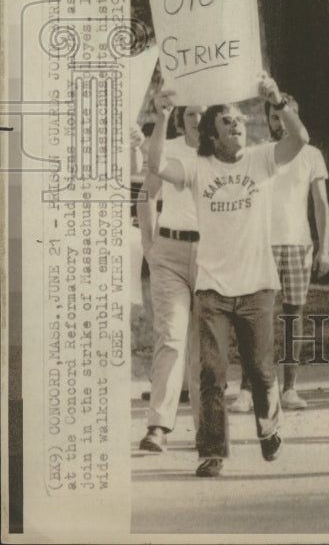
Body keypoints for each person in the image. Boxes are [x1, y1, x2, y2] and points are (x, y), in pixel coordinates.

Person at [147, 73, 309, 478]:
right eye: (226, 121)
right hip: (213, 289)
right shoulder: (197, 167)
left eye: (239, 119)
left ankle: (269, 426)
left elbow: (300, 140)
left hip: (257, 286)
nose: (236, 124)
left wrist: (277, 101)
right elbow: (154, 165)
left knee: (259, 369)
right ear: (212, 136)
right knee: (211, 373)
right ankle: (213, 451)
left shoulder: (262, 158)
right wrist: (163, 116)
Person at [230, 93, 329, 412]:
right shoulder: (257, 153)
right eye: (274, 117)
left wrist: (324, 247)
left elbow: (321, 204)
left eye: (286, 117)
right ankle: (249, 389)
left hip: (298, 244)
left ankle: (290, 388)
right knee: (255, 316)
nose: (281, 123)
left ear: (295, 117)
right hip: (260, 244)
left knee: (293, 316)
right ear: (267, 120)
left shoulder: (312, 154)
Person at [137, 106, 205, 452]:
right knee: (172, 337)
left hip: (211, 255)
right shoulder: (171, 149)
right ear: (182, 118)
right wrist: (149, 245)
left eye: (206, 112)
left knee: (205, 345)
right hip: (170, 251)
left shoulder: (223, 154)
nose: (198, 118)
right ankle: (158, 426)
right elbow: (147, 193)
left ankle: (206, 427)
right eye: (192, 112)